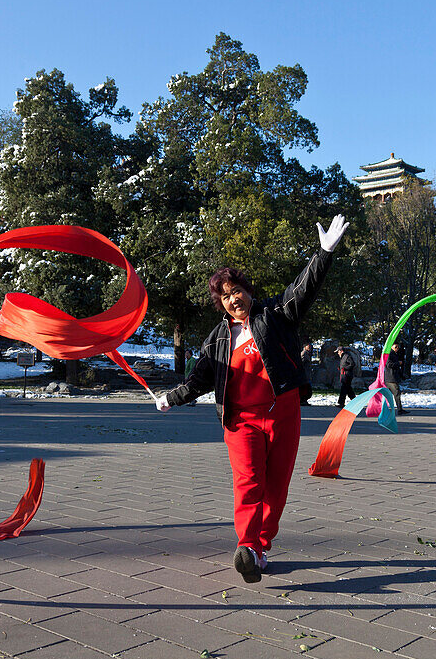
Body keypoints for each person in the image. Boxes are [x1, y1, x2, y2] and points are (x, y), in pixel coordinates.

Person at [155, 214, 348, 583]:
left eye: (236, 290)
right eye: (225, 296)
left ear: (247, 289)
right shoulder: (216, 340)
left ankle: (261, 547)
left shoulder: (274, 315)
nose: (233, 299)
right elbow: (199, 379)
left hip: (283, 413)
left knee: (276, 487)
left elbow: (301, 290)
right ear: (221, 304)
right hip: (240, 421)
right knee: (248, 482)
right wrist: (171, 398)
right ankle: (246, 546)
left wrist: (323, 254)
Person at [384, 341, 408, 415]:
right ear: (391, 346)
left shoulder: (394, 354)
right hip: (391, 378)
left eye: (398, 347)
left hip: (391, 378)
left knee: (388, 395)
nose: (397, 348)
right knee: (396, 394)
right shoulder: (390, 354)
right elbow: (389, 364)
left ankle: (385, 409)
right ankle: (399, 409)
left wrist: (401, 375)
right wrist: (398, 363)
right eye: (395, 347)